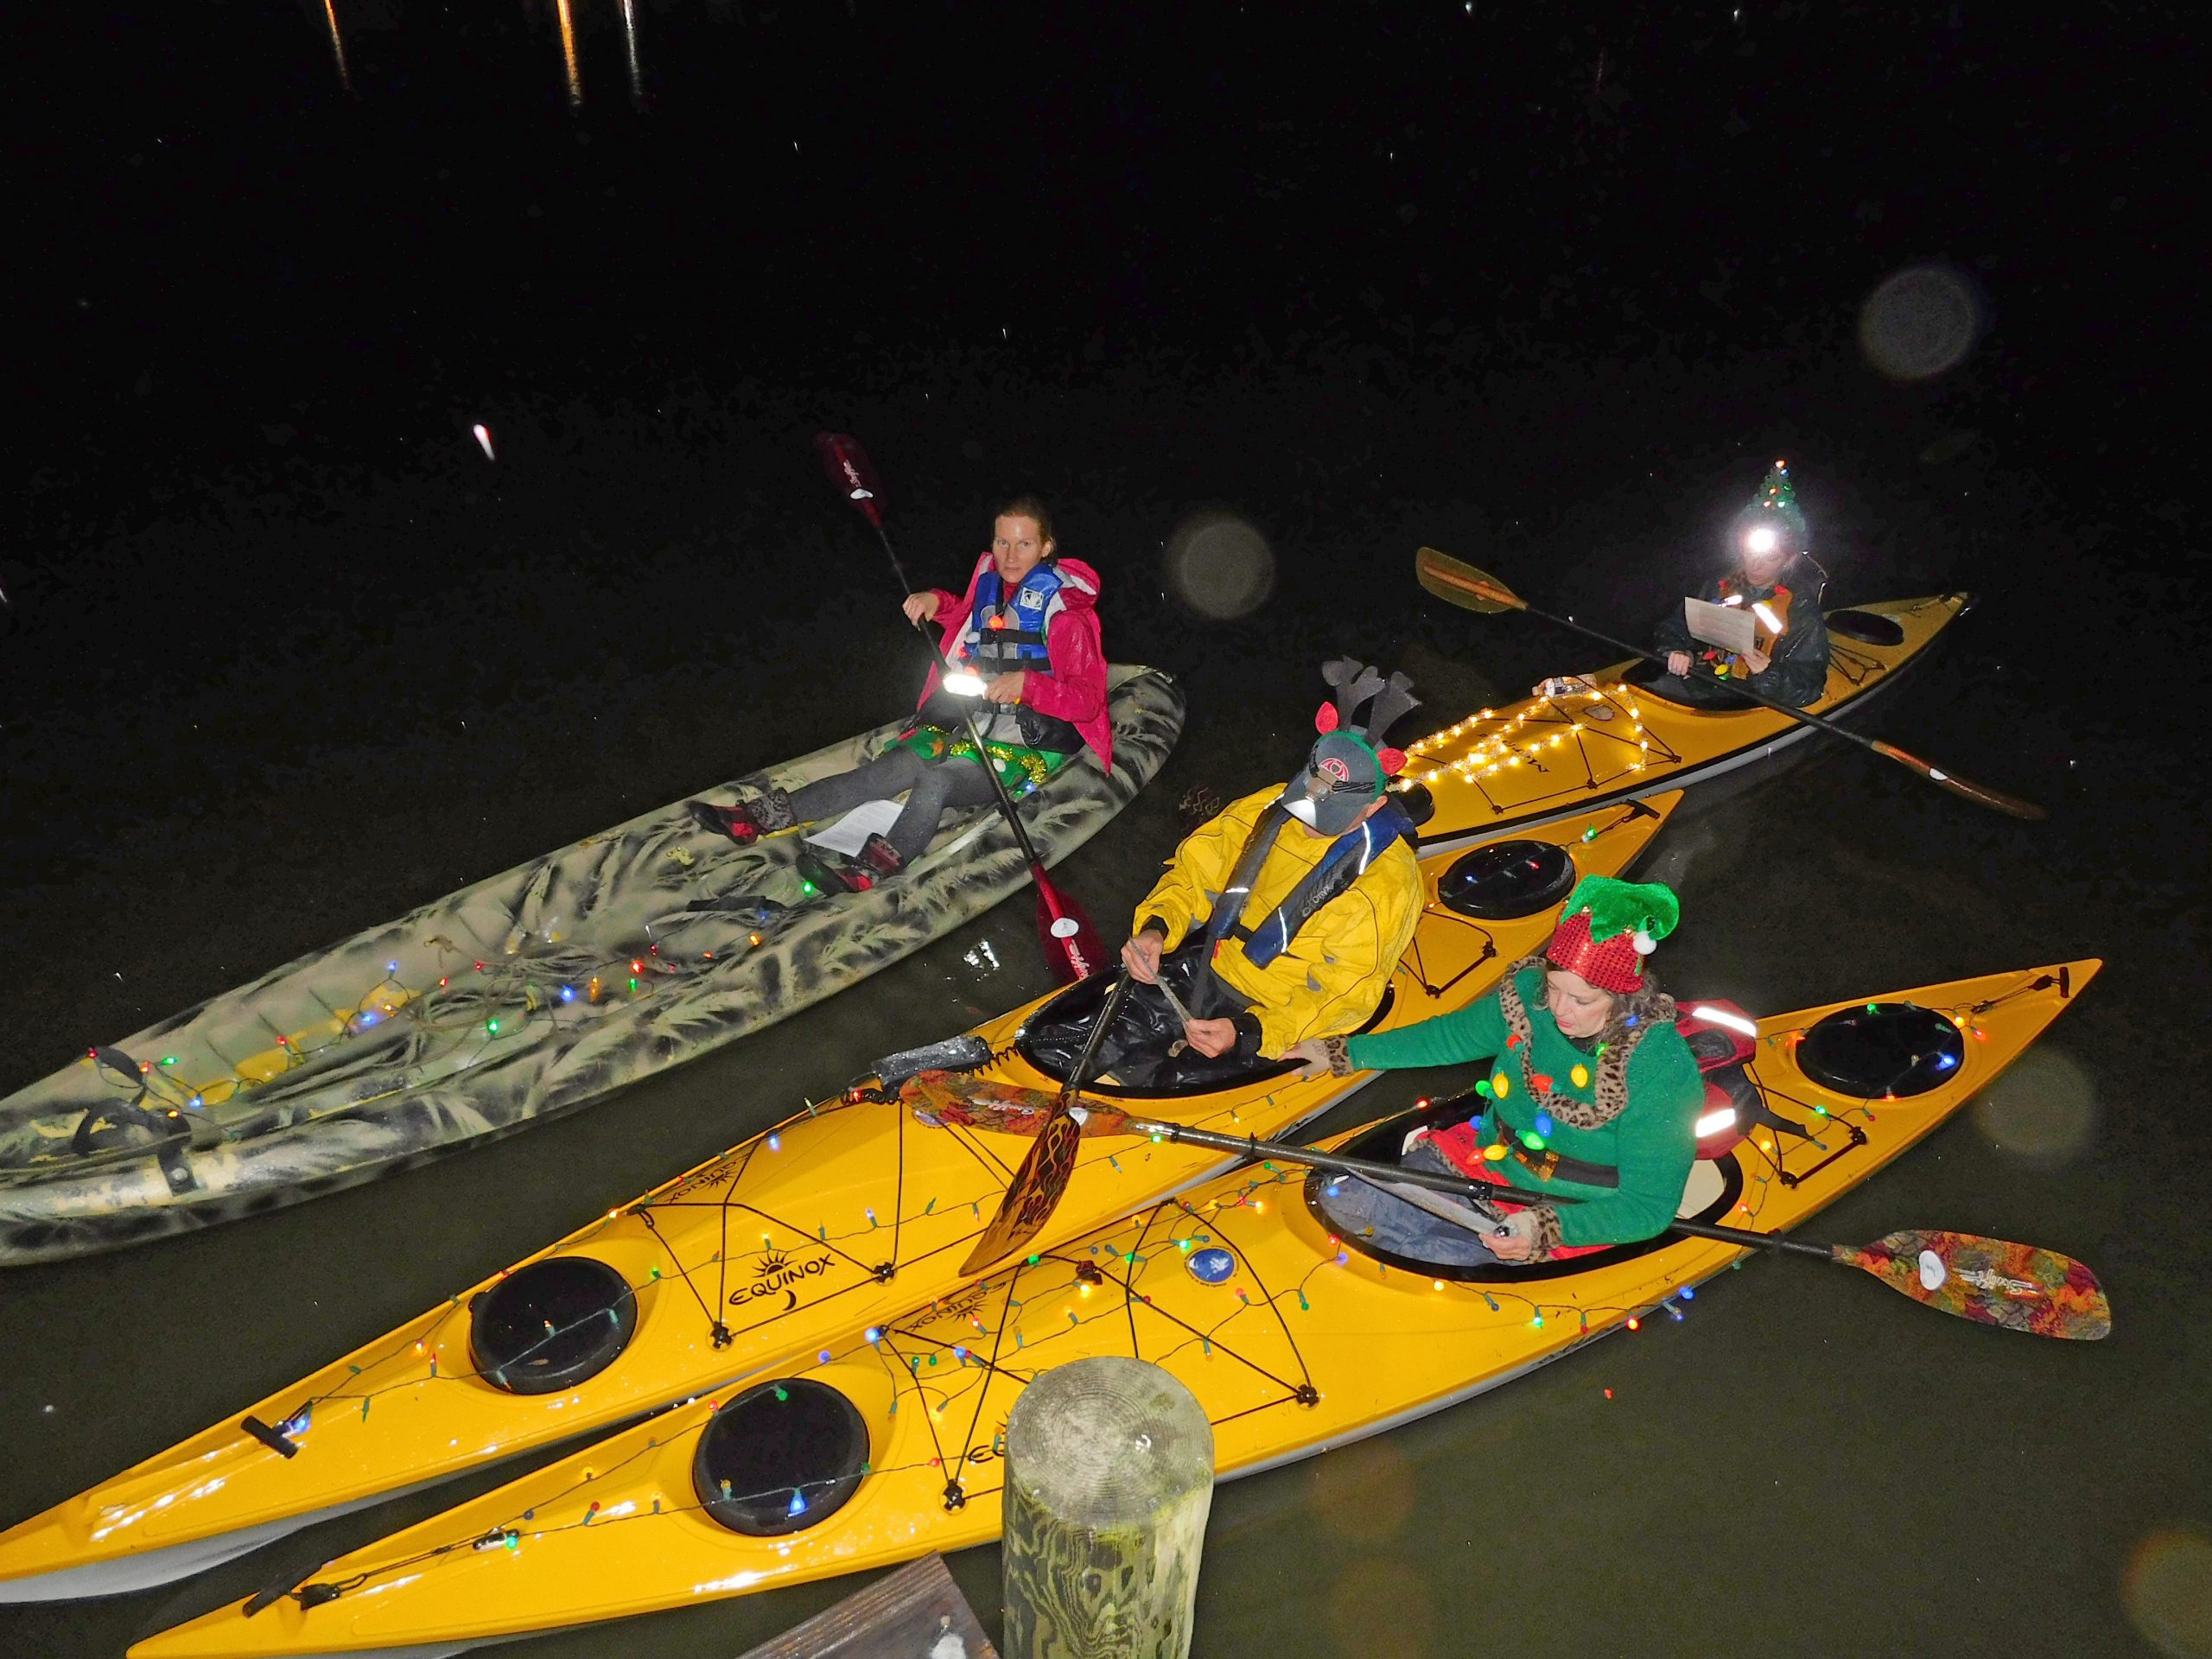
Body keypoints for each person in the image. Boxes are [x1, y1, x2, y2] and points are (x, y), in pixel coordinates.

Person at [1041, 660, 1425, 1090]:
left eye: (1331, 815)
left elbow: (1346, 993)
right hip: (1210, 966)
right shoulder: (1265, 807)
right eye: (1306, 799)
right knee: (1084, 1042)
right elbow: (1194, 872)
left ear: (1373, 807)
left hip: (1272, 1009)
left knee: (1173, 1080)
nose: (1308, 820)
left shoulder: (1387, 885)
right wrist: (1156, 928)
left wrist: (1247, 1032)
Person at [688, 498, 1109, 886]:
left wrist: (1028, 685)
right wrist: (934, 602)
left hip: (1026, 748)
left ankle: (873, 868)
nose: (1010, 556)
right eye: (1002, 542)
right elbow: (962, 613)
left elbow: (1088, 701)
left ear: (1046, 547)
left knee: (936, 781)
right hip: (968, 727)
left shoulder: (1067, 620)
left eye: (1023, 544)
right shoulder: (993, 589)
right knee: (884, 772)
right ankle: (754, 819)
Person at [1288, 876, 1702, 1265]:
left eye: (1582, 1000)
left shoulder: (1661, 1068)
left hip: (1566, 1212)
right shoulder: (1527, 998)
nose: (1559, 1009)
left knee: (1419, 1256)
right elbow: (1448, 1037)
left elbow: (1648, 1209)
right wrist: (1344, 1054)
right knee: (1341, 1203)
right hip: (1483, 1162)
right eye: (1554, 988)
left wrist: (1545, 1226)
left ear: (1622, 994)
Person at [1648, 459, 1832, 709]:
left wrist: (1768, 673)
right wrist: (1677, 651)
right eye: (1751, 552)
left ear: (1787, 560)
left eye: (1770, 558)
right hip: (1703, 680)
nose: (1755, 565)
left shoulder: (1800, 608)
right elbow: (1676, 626)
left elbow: (1809, 685)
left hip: (1752, 699)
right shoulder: (1718, 586)